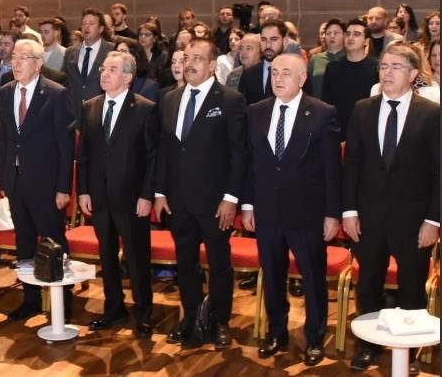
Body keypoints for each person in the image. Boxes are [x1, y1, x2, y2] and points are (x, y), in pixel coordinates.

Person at [343, 42, 440, 374]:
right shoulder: (362, 109)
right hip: (368, 217)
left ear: (413, 74)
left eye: (396, 67)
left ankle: (408, 350)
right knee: (368, 282)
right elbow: (351, 166)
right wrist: (349, 212)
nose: (387, 72)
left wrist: (433, 220)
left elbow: (439, 172)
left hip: (414, 219)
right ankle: (368, 346)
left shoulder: (431, 113)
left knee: (412, 285)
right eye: (383, 66)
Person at [241, 54, 341, 366]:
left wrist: (332, 214)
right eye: (274, 72)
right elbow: (249, 164)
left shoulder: (322, 113)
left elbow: (332, 169)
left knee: (312, 278)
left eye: (287, 73)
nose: (279, 78)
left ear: (302, 78)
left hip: (307, 213)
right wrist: (247, 204)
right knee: (272, 276)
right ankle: (276, 333)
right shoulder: (255, 111)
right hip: (267, 211)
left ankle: (315, 337)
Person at [154, 38, 247, 350]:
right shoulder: (170, 98)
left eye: (197, 58)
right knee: (185, 263)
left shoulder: (231, 100)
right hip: (178, 199)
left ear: (212, 65)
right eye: (186, 58)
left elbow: (238, 154)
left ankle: (220, 321)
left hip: (215, 202)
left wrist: (231, 198)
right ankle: (191, 317)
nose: (189, 64)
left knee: (219, 263)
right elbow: (164, 150)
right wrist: (160, 192)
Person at [78, 50, 158, 339]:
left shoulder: (145, 108)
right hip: (100, 196)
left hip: (132, 198)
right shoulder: (90, 107)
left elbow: (153, 158)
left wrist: (147, 195)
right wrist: (84, 191)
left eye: (112, 69)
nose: (104, 73)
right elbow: (84, 155)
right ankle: (114, 309)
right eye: (103, 68)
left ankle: (143, 313)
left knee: (137, 258)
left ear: (127, 77)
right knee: (107, 255)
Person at [0, 39, 75, 321]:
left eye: (23, 57)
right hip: (16, 182)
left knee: (54, 241)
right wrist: (3, 179)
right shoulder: (6, 92)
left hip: (46, 184)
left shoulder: (56, 93)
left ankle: (63, 301)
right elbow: (4, 138)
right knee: (24, 242)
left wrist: (63, 187)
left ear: (38, 63)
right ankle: (30, 298)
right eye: (14, 58)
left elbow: (66, 146)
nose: (15, 63)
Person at [322, 18, 379, 139]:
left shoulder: (377, 68)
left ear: (366, 41)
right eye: (347, 34)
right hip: (338, 132)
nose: (350, 38)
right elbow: (326, 103)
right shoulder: (333, 67)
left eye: (356, 34)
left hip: (368, 131)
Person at [62, 7, 116, 120]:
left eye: (91, 23)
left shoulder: (112, 50)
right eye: (84, 23)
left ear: (101, 29)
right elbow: (64, 81)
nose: (86, 27)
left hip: (100, 112)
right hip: (73, 113)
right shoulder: (70, 51)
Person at [306, 18, 345, 98]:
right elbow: (308, 87)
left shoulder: (350, 58)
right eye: (328, 33)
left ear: (344, 35)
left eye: (336, 33)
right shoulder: (315, 59)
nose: (332, 36)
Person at [114, 37, 160, 102]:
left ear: (135, 56)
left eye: (123, 51)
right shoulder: (111, 79)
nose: (117, 55)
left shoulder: (149, 87)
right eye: (117, 52)